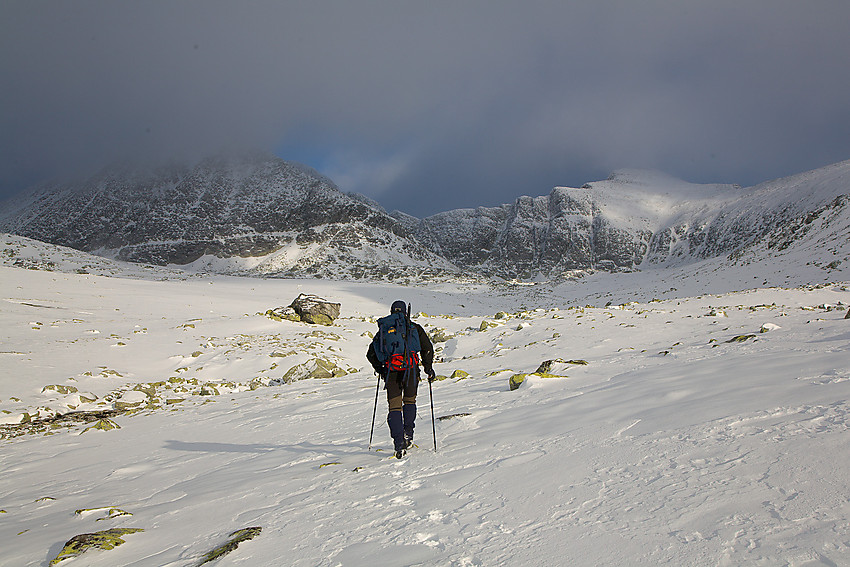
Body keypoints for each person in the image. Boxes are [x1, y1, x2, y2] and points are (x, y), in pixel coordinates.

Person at [367, 300, 435, 458]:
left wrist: (381, 369)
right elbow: (427, 349)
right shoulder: (413, 327)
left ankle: (398, 443)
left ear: (391, 311)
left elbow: (371, 354)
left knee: (394, 407)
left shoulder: (384, 328)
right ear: (405, 311)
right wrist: (428, 368)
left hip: (392, 373)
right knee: (410, 402)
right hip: (411, 371)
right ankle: (408, 435)